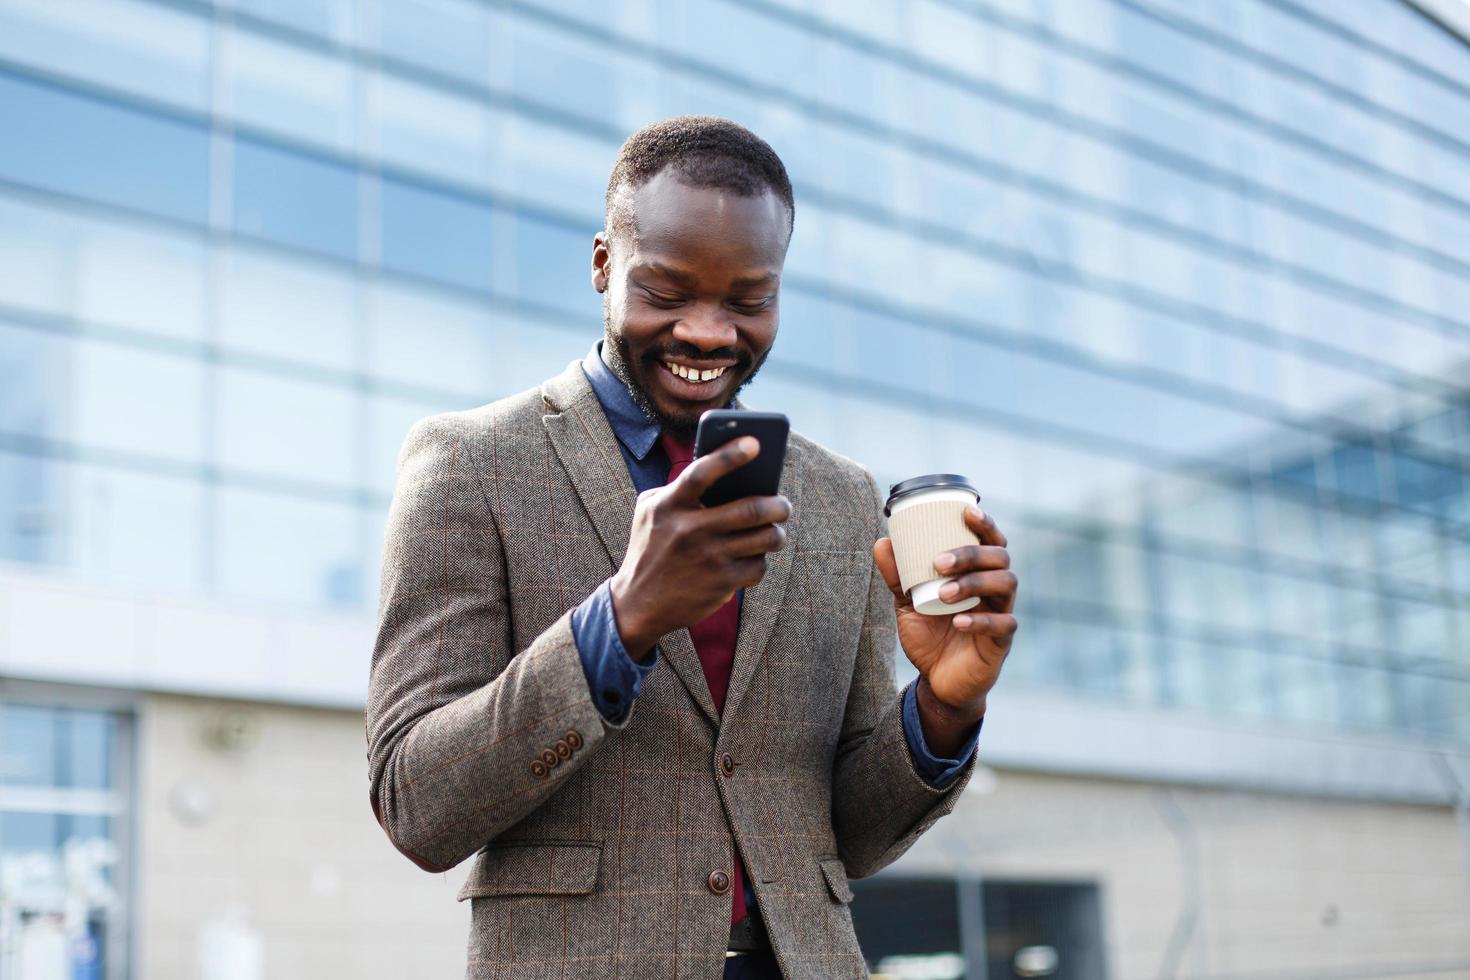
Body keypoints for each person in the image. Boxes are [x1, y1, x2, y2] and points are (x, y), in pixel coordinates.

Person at [365, 115, 1019, 979]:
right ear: (604, 265)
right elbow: (417, 802)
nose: (710, 333)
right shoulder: (473, 465)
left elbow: (851, 837)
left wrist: (943, 706)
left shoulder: (838, 498)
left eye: (748, 300)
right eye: (667, 292)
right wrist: (622, 621)